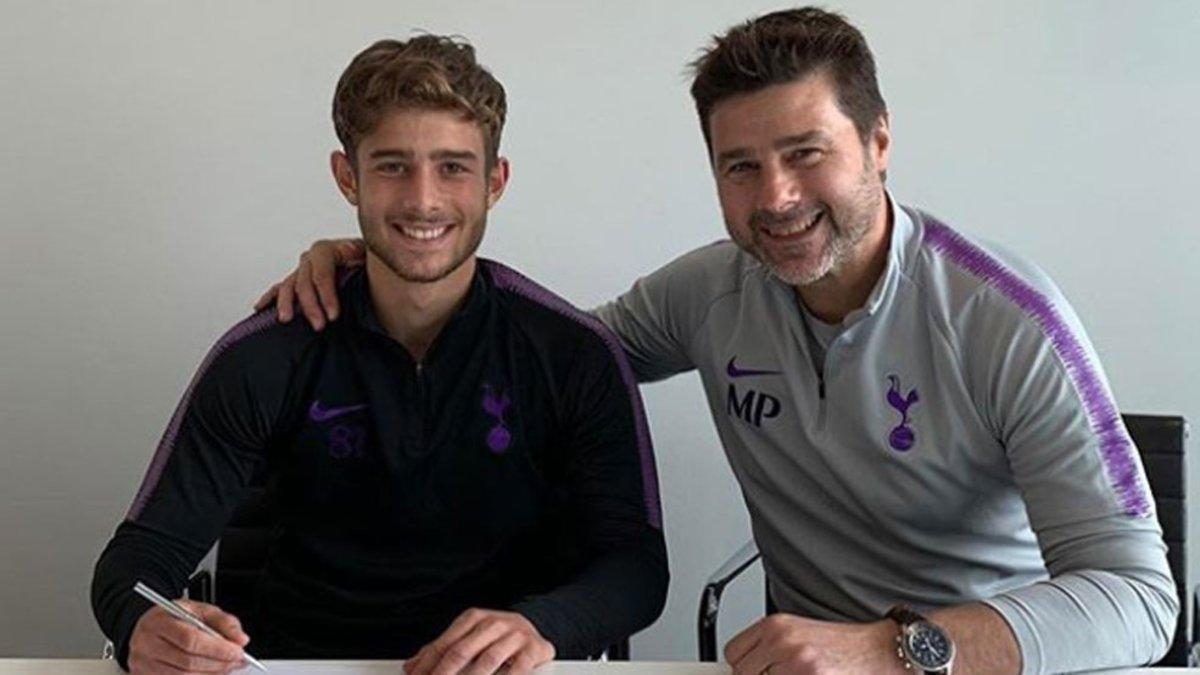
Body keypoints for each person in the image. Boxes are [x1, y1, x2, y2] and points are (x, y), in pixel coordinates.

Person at [262, 8, 1178, 675]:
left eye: (806, 151)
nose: (775, 195)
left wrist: (893, 651)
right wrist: (390, 255)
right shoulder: (709, 291)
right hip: (795, 664)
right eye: (741, 165)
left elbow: (1141, 601)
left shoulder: (1009, 322)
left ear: (880, 141)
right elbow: (534, 356)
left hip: (980, 665)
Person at [91, 35, 667, 675]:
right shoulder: (265, 353)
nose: (423, 200)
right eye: (393, 165)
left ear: (495, 183)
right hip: (296, 667)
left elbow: (637, 564)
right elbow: (139, 557)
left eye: (453, 167)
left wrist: (543, 626)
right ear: (347, 177)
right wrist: (144, 624)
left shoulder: (573, 353)